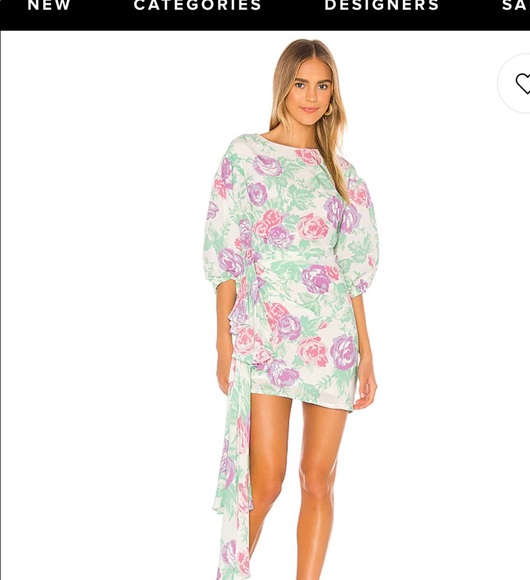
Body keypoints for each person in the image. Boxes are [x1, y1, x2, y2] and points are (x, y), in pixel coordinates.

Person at [202, 38, 380, 580]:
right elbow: (226, 250)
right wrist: (223, 339)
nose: (311, 96)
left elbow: (351, 270)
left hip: (331, 339)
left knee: (318, 479)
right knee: (266, 482)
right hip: (264, 336)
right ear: (283, 86)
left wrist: (367, 353)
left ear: (333, 95)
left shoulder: (342, 174)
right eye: (301, 83)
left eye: (323, 85)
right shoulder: (244, 155)